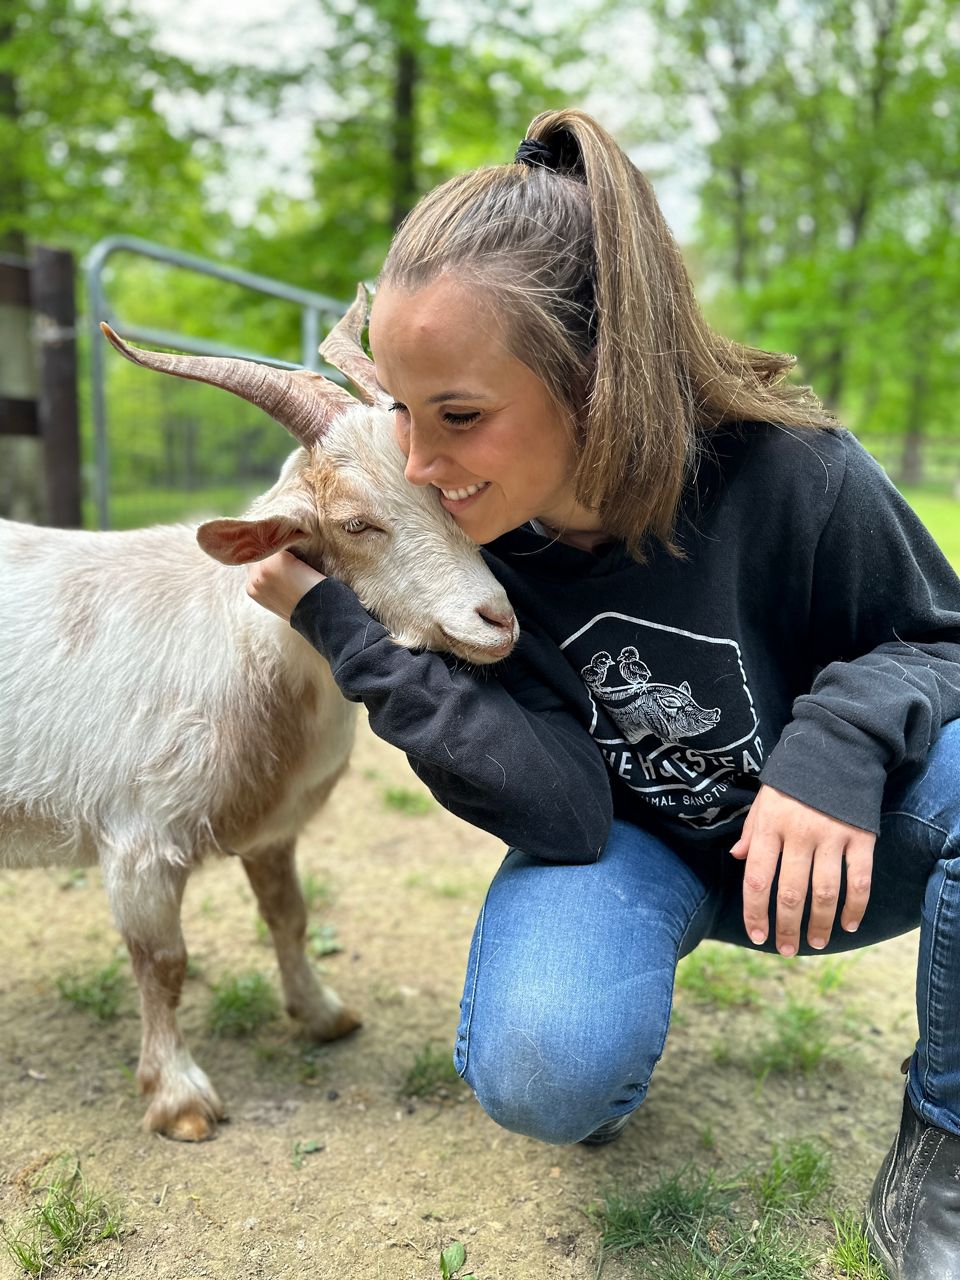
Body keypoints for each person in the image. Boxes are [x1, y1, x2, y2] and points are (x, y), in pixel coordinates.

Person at [246, 109, 960, 1280]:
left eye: (461, 415)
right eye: (406, 416)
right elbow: (564, 810)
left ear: (595, 370)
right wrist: (343, 626)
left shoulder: (793, 472)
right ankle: (612, 1015)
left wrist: (832, 742)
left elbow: (945, 638)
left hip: (835, 848)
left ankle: (948, 1134)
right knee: (543, 1068)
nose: (422, 464)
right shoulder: (449, 547)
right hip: (635, 845)